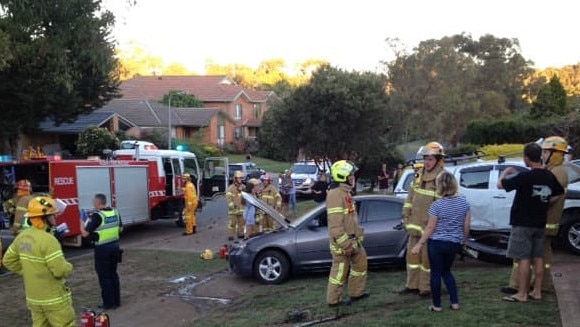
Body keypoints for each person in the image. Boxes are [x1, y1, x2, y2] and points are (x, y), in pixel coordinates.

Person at [501, 137, 570, 295]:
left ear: (556, 154)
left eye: (546, 152)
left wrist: (540, 203)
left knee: (527, 256)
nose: (544, 155)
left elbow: (553, 196)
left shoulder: (556, 172)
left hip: (541, 222)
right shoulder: (552, 171)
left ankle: (521, 288)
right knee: (537, 257)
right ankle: (533, 287)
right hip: (541, 222)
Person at [2, 196, 76, 326]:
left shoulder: (23, 236)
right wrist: (69, 267)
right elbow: (60, 271)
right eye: (53, 215)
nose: (56, 217)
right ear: (44, 217)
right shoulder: (49, 240)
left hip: (34, 299)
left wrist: (28, 271)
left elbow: (8, 260)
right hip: (54, 298)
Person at [411, 171, 471, 312]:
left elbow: (431, 227)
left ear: (440, 186)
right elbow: (466, 225)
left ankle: (437, 305)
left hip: (437, 243)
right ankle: (455, 302)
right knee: (447, 272)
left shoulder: (436, 205)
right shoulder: (464, 202)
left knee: (436, 274)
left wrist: (420, 244)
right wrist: (464, 240)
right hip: (454, 243)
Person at [400, 141, 446, 297]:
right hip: (414, 227)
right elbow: (409, 198)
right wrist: (406, 216)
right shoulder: (419, 176)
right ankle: (412, 285)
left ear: (439, 160)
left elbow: (443, 206)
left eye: (431, 159)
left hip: (430, 230)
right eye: (425, 158)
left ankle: (426, 288)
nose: (427, 162)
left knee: (428, 261)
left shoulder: (442, 178)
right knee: (412, 258)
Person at [326, 160, 369, 307]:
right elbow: (335, 225)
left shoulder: (345, 193)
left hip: (354, 241)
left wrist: (357, 237)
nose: (353, 177)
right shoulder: (335, 195)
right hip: (343, 244)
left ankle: (357, 293)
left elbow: (351, 219)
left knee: (361, 264)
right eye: (350, 175)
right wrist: (346, 244)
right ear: (342, 176)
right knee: (339, 273)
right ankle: (334, 300)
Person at [80, 193, 123, 310]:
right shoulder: (115, 212)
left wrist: (82, 220)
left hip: (102, 250)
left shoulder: (97, 216)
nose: (93, 204)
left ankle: (108, 303)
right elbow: (120, 229)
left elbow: (84, 234)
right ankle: (116, 301)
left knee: (104, 277)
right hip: (115, 247)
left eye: (94, 202)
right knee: (113, 274)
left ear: (98, 203)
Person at [226, 171, 246, 241]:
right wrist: (232, 206)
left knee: (242, 223)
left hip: (242, 210)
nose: (241, 179)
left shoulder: (244, 187)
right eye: (239, 178)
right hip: (233, 211)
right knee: (232, 223)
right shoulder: (230, 188)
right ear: (235, 179)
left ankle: (241, 234)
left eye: (241, 178)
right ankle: (231, 235)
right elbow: (228, 198)